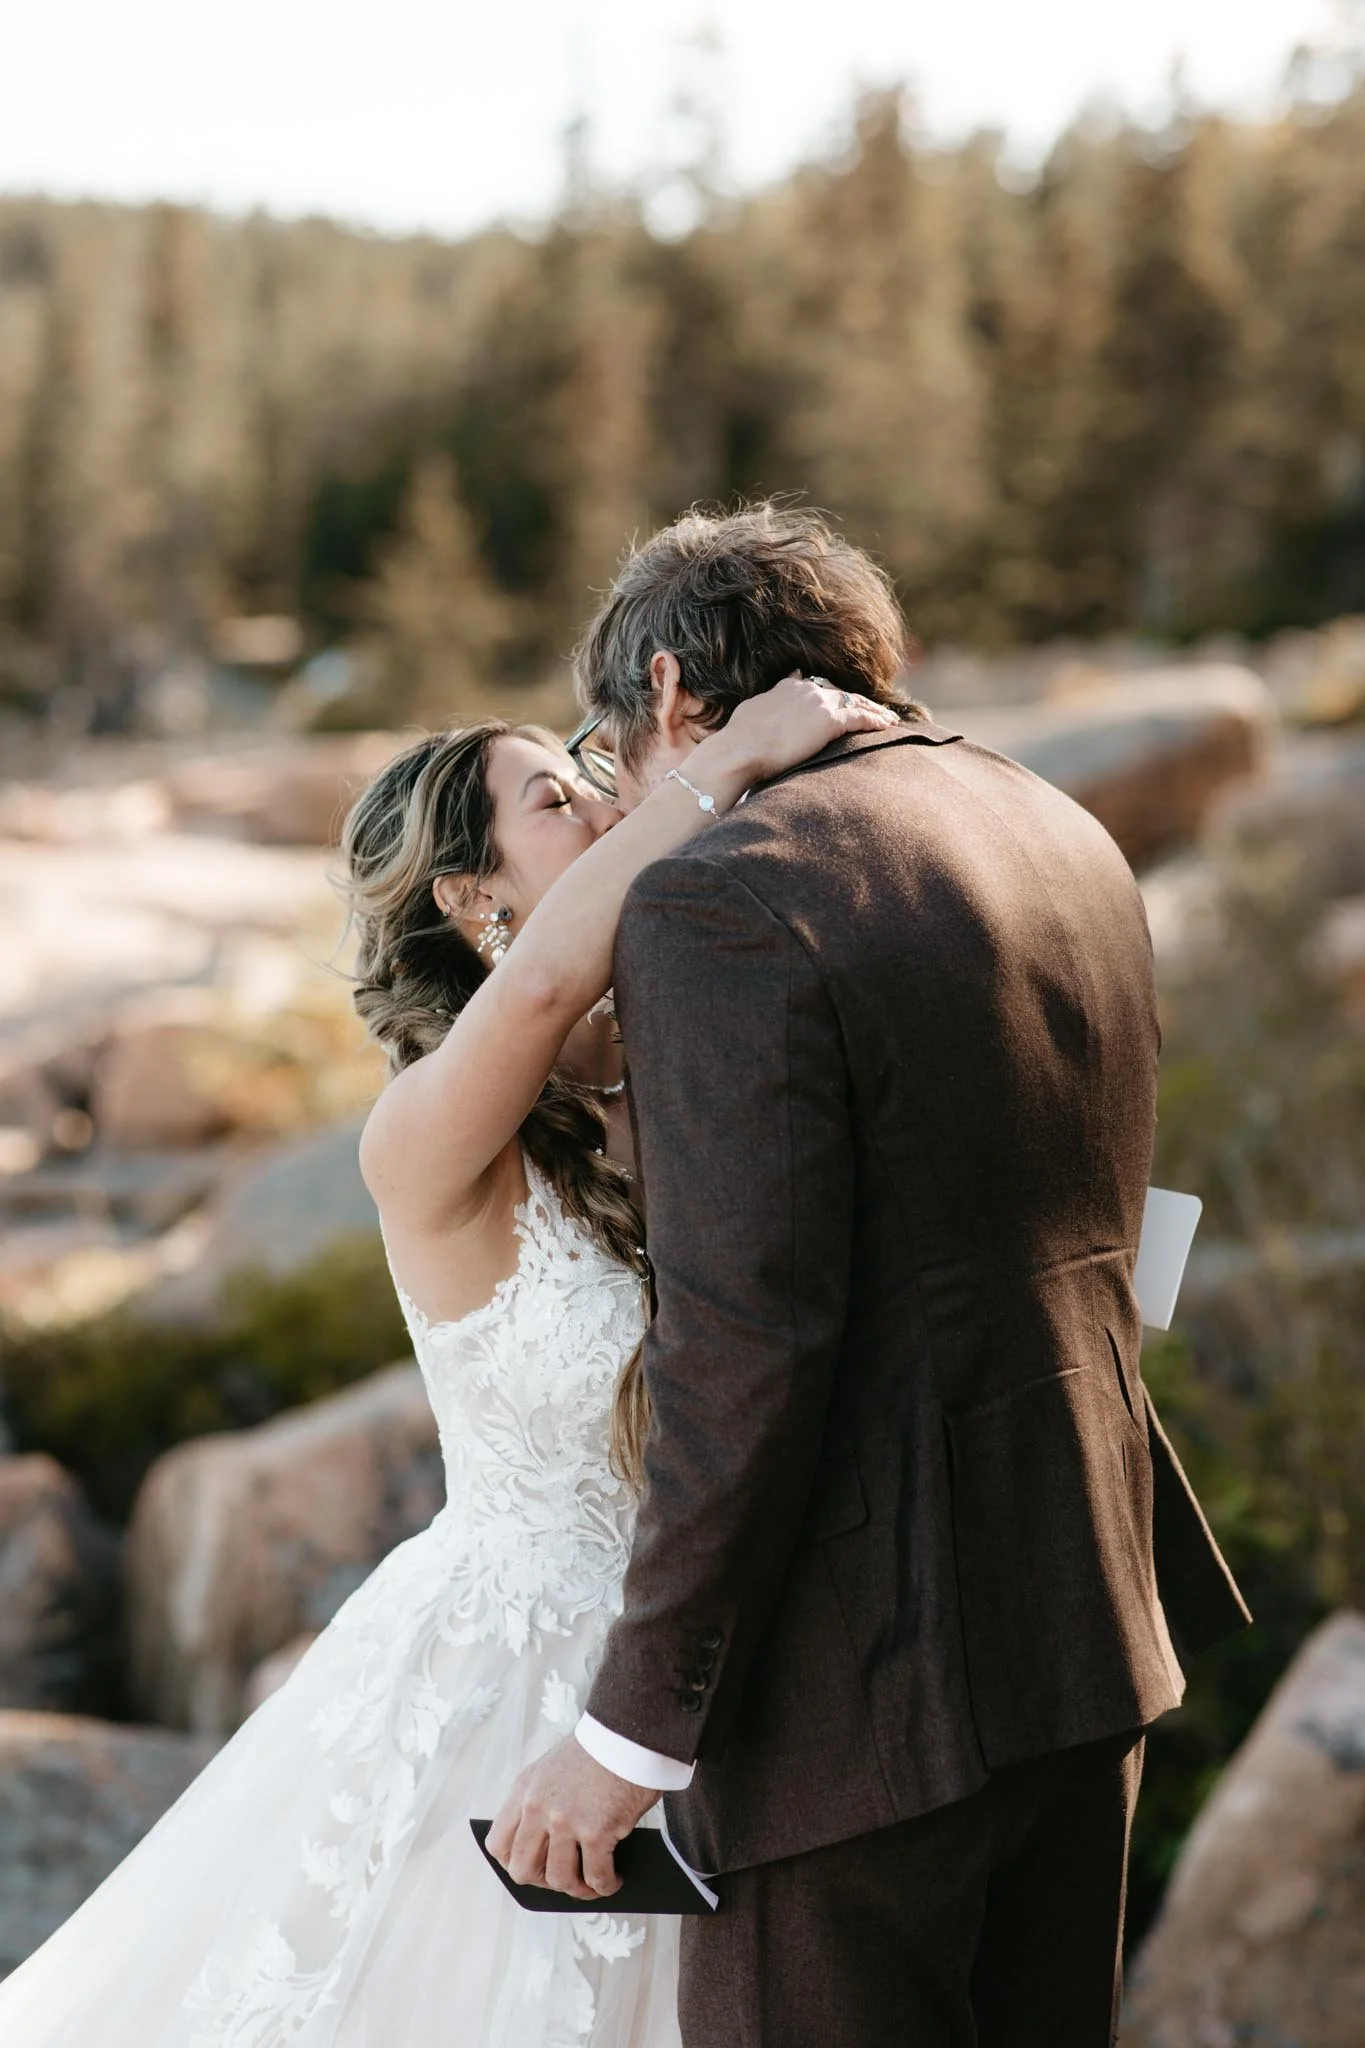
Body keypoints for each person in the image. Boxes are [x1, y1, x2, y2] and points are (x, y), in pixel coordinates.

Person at [0, 671, 894, 2047]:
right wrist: (744, 755)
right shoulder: (425, 1140)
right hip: (507, 1713)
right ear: (476, 900)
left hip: (722, 1683)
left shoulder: (693, 1073)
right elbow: (544, 985)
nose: (603, 800)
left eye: (596, 781)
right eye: (556, 797)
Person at [489, 503, 1251, 2048]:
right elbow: (1112, 1212)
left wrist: (631, 1736)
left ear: (672, 699)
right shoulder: (1055, 825)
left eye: (605, 743)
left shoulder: (717, 901)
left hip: (867, 1703)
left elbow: (748, 1348)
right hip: (1091, 1624)